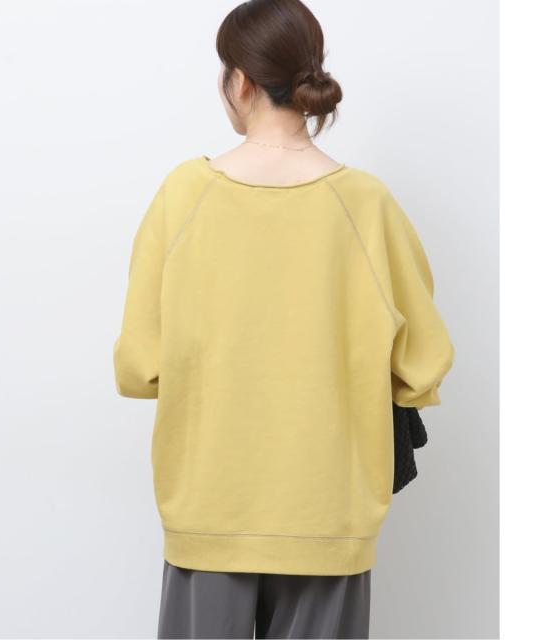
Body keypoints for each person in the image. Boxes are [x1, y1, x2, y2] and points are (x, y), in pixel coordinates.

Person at [113, 0, 455, 637]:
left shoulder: (184, 195)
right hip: (329, 516)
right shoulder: (366, 204)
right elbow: (421, 367)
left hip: (209, 509)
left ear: (239, 80)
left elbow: (140, 366)